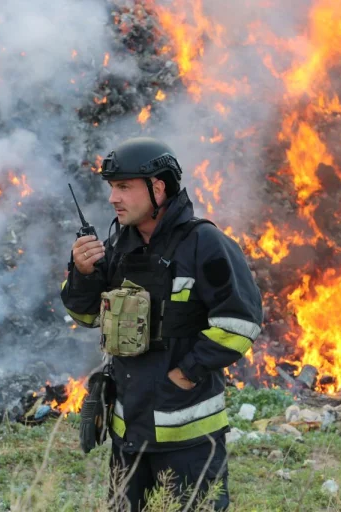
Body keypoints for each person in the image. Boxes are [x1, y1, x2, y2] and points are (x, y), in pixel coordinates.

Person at [60, 137, 263, 511]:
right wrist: (83, 274)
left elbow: (241, 321)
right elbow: (86, 317)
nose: (113, 198)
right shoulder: (118, 247)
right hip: (128, 435)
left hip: (189, 439)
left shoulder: (205, 243)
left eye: (124, 187)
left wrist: (187, 373)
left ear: (158, 187)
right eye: (112, 188)